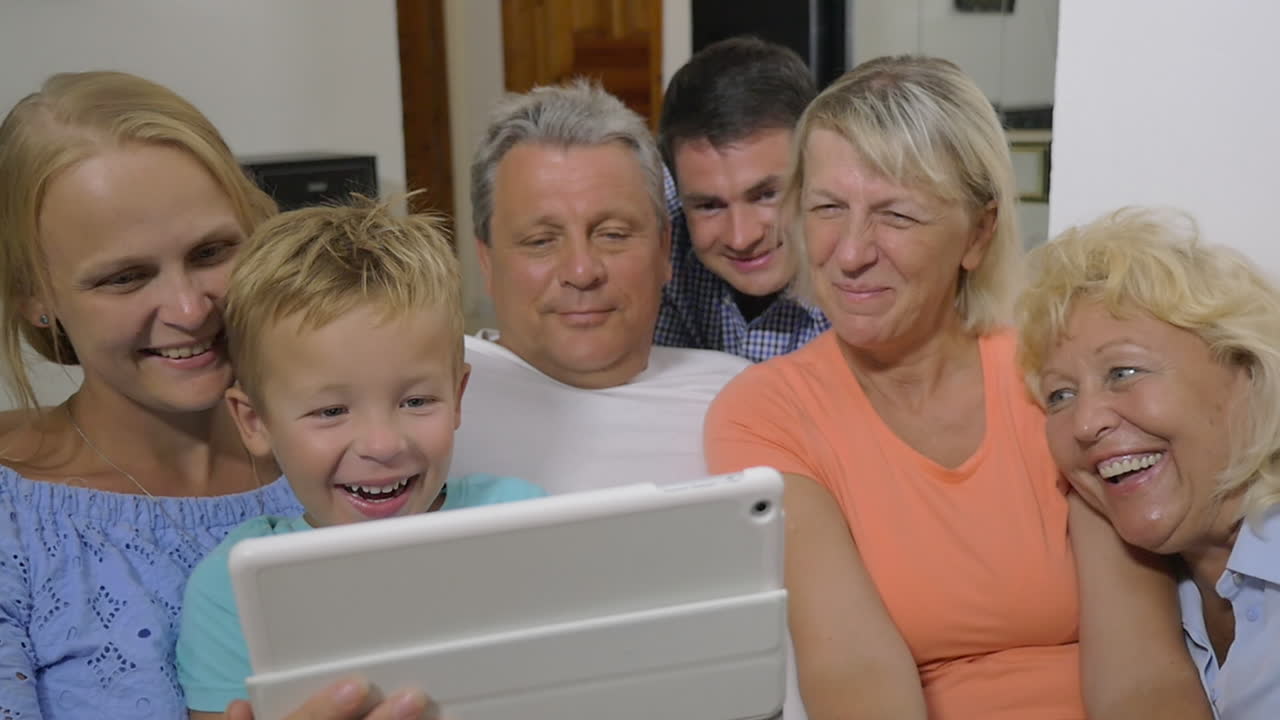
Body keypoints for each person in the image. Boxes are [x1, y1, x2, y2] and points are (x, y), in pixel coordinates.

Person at [704, 56, 1207, 720]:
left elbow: (1144, 676)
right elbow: (854, 677)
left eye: (897, 216)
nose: (851, 252)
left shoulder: (1052, 372)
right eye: (828, 207)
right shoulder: (765, 414)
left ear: (978, 231)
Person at [0, 72, 431, 720]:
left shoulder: (372, 451)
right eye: (124, 277)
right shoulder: (16, 517)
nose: (188, 308)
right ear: (37, 296)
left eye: (211, 252)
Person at [176, 199, 544, 716]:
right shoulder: (235, 589)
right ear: (255, 422)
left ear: (458, 397)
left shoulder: (525, 523)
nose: (382, 444)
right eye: (330, 411)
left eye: (416, 401)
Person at [1018, 207, 1280, 719]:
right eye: (1060, 395)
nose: (1085, 422)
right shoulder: (1150, 605)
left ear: (1245, 372)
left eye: (1124, 371)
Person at [452, 80, 752, 495]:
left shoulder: (741, 397)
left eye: (612, 234)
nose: (581, 270)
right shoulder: (427, 399)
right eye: (541, 241)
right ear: (486, 260)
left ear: (664, 250)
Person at [655, 35, 828, 362]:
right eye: (709, 206)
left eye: (766, 195)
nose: (742, 237)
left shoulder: (869, 285)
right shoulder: (660, 241)